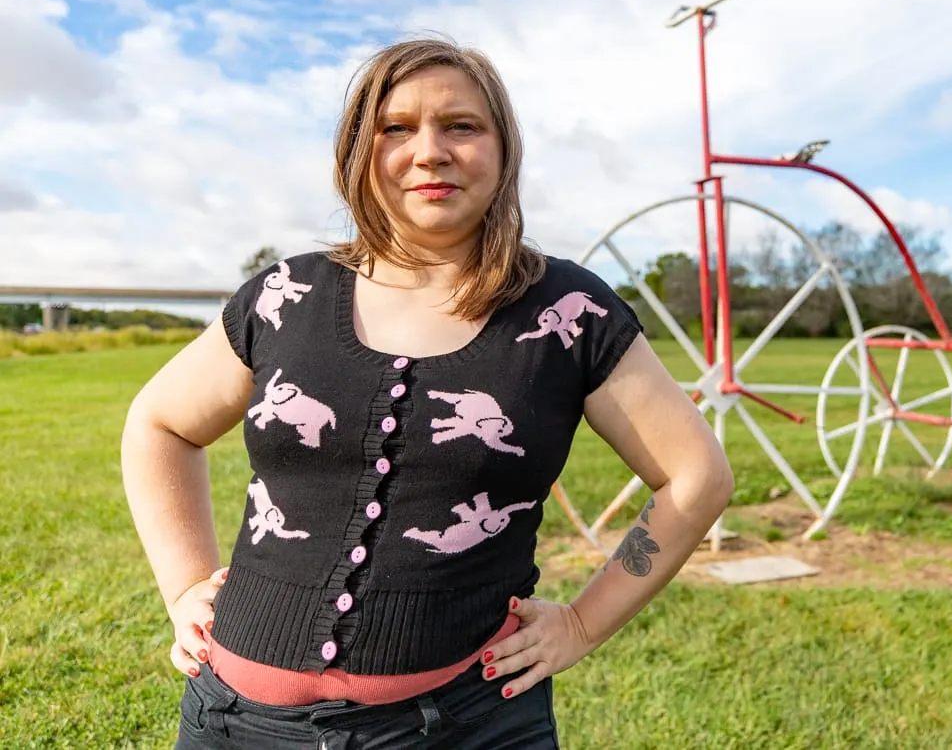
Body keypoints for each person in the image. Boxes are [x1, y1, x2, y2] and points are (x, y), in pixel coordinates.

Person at [121, 37, 735, 748]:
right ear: (359, 152)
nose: (431, 150)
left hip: (464, 725)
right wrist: (183, 583)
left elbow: (696, 476)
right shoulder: (286, 296)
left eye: (462, 126)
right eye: (397, 128)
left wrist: (580, 622)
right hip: (231, 723)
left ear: (503, 151)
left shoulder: (568, 311)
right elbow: (159, 423)